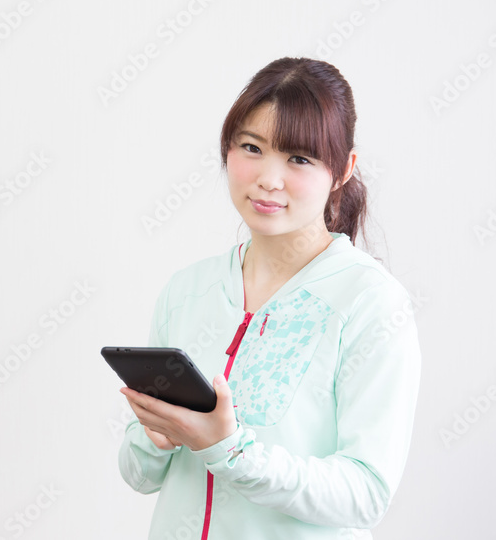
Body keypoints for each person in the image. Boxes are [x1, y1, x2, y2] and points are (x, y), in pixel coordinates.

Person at [116, 57, 422, 540]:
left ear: (343, 170)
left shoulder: (370, 302)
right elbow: (139, 476)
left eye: (299, 159)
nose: (268, 179)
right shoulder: (187, 290)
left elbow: (366, 494)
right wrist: (156, 437)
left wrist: (232, 452)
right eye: (252, 148)